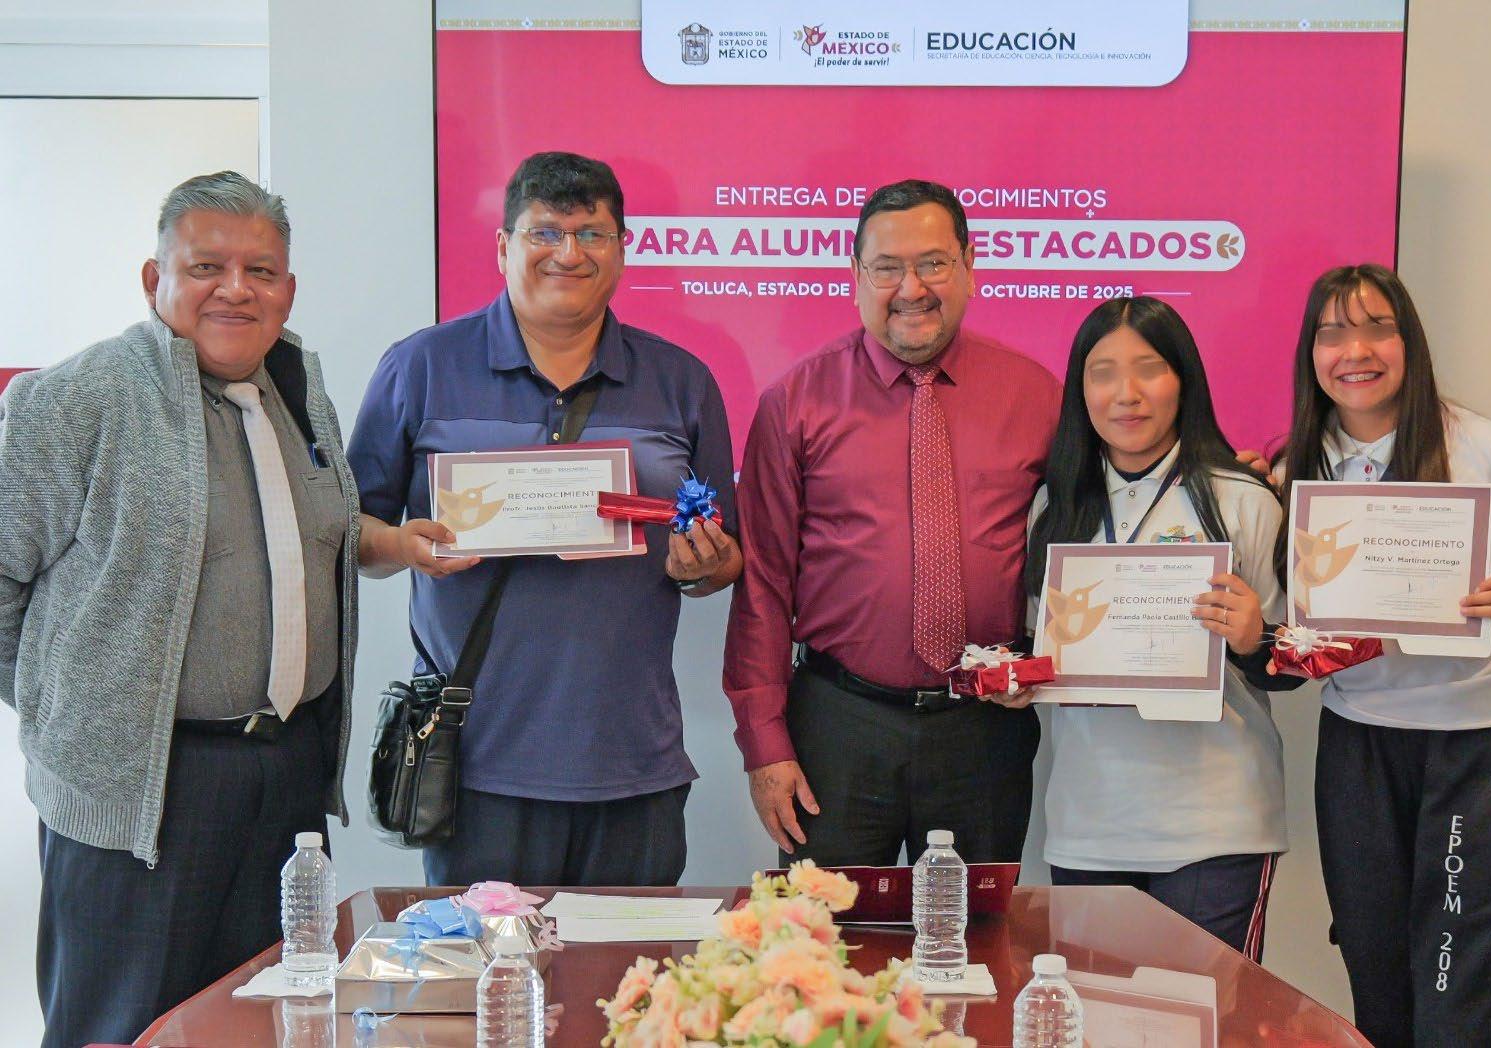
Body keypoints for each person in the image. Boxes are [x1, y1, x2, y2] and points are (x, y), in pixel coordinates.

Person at [0, 171, 360, 1048]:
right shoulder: (77, 398)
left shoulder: (297, 391)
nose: (236, 289)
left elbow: (308, 538)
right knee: (121, 1029)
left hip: (285, 776)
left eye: (260, 271)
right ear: (153, 278)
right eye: (206, 266)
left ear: (288, 290)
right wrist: (69, 710)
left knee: (266, 1022)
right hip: (144, 791)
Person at [349, 151, 740, 888]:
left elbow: (725, 555)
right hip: (476, 766)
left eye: (592, 234)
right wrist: (402, 543)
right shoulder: (420, 367)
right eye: (545, 233)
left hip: (633, 764)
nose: (569, 253)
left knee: (630, 965)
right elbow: (351, 538)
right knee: (484, 964)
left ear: (622, 249)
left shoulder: (681, 380)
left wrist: (705, 567)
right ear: (503, 247)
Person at [724, 179, 1058, 866]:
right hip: (837, 727)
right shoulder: (796, 401)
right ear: (855, 276)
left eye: (933, 263)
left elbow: (1095, 530)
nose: (912, 288)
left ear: (969, 266)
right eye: (887, 268)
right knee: (826, 932)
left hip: (984, 729)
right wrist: (765, 744)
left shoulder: (1035, 395)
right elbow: (763, 584)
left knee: (977, 928)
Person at [1022, 296, 1296, 958]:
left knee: (1209, 1012)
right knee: (1095, 1012)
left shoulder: (1243, 498)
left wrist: (1254, 639)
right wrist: (1014, 681)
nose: (1127, 393)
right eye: (1103, 373)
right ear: (1080, 390)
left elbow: (1291, 663)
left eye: (1149, 368)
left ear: (1184, 380)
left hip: (1215, 825)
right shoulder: (1055, 506)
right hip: (1090, 822)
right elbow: (1041, 652)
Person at [1274, 264, 1491, 1046]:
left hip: (1473, 743)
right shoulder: (1295, 468)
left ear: (1410, 342)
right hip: (1359, 739)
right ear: (1311, 353)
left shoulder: (1484, 449)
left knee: (1460, 972)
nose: (1356, 351)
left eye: (1378, 328)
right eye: (1333, 333)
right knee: (1373, 961)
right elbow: (1283, 627)